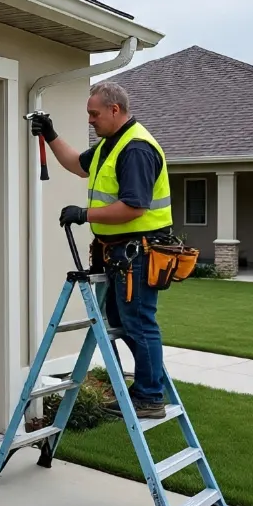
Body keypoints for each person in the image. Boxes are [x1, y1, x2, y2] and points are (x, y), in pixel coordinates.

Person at [30, 80, 172, 419]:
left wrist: (85, 215)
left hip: (137, 252)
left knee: (138, 323)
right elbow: (78, 165)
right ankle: (146, 385)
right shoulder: (112, 144)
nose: (90, 120)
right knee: (120, 320)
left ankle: (150, 397)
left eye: (94, 114)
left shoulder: (135, 148)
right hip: (119, 252)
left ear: (115, 110)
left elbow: (134, 207)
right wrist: (50, 134)